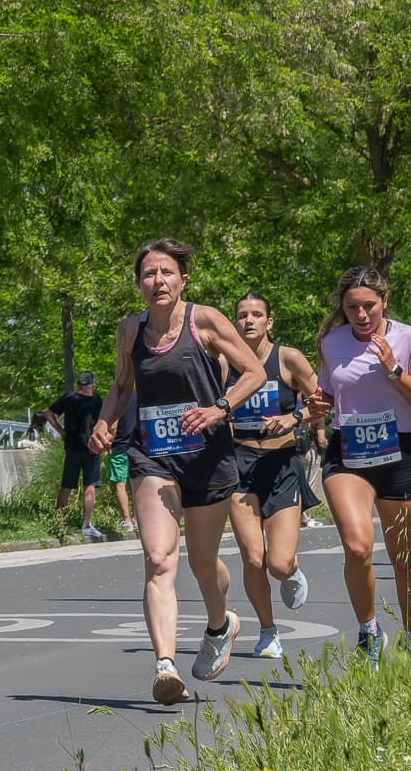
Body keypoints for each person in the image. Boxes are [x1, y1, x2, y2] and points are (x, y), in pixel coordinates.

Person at [89, 239, 266, 704]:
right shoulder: (130, 330)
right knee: (159, 558)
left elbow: (254, 373)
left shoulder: (204, 320)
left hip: (208, 456)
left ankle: (219, 624)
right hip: (156, 457)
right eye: (149, 274)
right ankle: (165, 665)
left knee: (203, 563)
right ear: (138, 283)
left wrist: (219, 409)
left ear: (182, 279)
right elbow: (122, 385)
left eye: (166, 272)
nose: (158, 281)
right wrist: (104, 423)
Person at [307, 265, 411, 665]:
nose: (362, 315)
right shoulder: (331, 341)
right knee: (356, 545)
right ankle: (369, 631)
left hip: (399, 451)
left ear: (385, 302)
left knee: (405, 560)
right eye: (352, 308)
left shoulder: (410, 339)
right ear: (342, 308)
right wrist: (317, 404)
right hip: (349, 451)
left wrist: (394, 371)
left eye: (369, 306)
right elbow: (328, 392)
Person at [226, 293, 316, 659]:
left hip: (281, 465)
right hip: (239, 466)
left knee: (277, 562)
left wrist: (293, 418)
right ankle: (267, 631)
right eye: (242, 315)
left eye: (256, 315)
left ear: (269, 323)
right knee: (253, 558)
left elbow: (323, 400)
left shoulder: (288, 358)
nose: (249, 321)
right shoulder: (223, 363)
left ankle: (291, 570)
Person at [49, 372, 106, 539]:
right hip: (91, 448)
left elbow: (49, 414)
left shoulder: (68, 398)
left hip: (72, 448)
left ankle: (58, 522)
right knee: (90, 486)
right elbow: (103, 422)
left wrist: (61, 431)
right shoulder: (96, 400)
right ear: (93, 385)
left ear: (79, 385)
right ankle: (86, 525)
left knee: (66, 485)